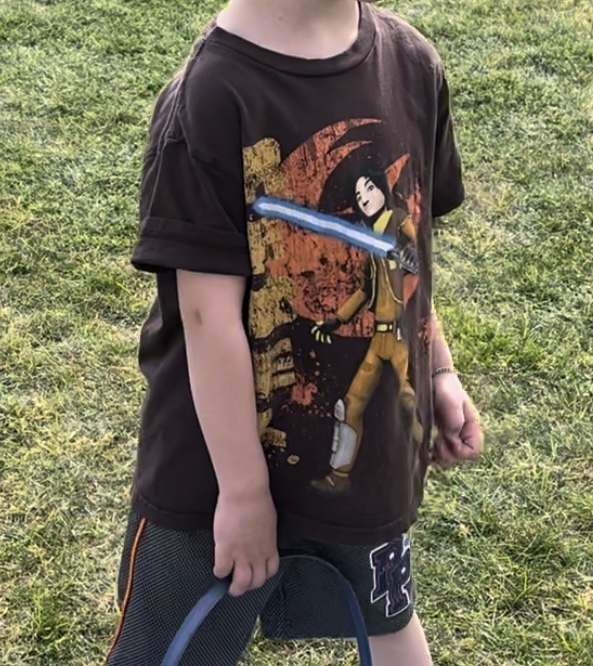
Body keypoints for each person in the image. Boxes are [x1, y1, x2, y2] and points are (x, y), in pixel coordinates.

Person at [105, 1, 483, 665]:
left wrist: (438, 370)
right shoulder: (210, 100)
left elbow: (406, 265)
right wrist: (243, 491)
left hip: (355, 470)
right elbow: (208, 317)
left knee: (390, 623)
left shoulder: (410, 64)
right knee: (171, 649)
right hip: (212, 475)